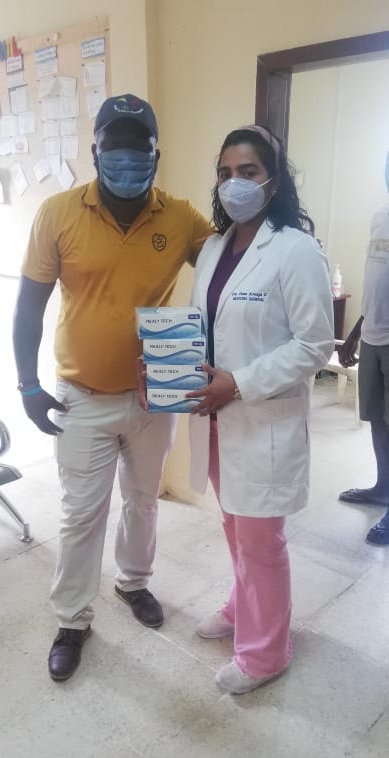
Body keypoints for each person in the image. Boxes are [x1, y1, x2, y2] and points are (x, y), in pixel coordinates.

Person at [13, 93, 211, 682]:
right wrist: (26, 384)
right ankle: (72, 619)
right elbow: (28, 307)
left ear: (156, 154)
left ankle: (134, 583)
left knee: (143, 501)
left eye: (138, 149)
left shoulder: (181, 217)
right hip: (81, 395)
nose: (127, 160)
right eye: (114, 149)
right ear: (95, 150)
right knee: (81, 514)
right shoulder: (57, 212)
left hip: (156, 395)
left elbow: (232, 268)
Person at [186, 125, 334, 694]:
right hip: (217, 420)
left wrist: (240, 384)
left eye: (248, 172)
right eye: (225, 173)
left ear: (274, 180)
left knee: (260, 540)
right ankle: (240, 604)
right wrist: (172, 372)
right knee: (235, 524)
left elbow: (314, 344)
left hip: (260, 418)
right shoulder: (215, 248)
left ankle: (266, 652)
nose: (235, 183)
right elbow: (203, 327)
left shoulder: (296, 250)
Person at [338, 165, 389, 546]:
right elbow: (376, 284)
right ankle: (383, 487)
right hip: (372, 337)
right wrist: (355, 333)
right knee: (376, 419)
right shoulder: (379, 218)